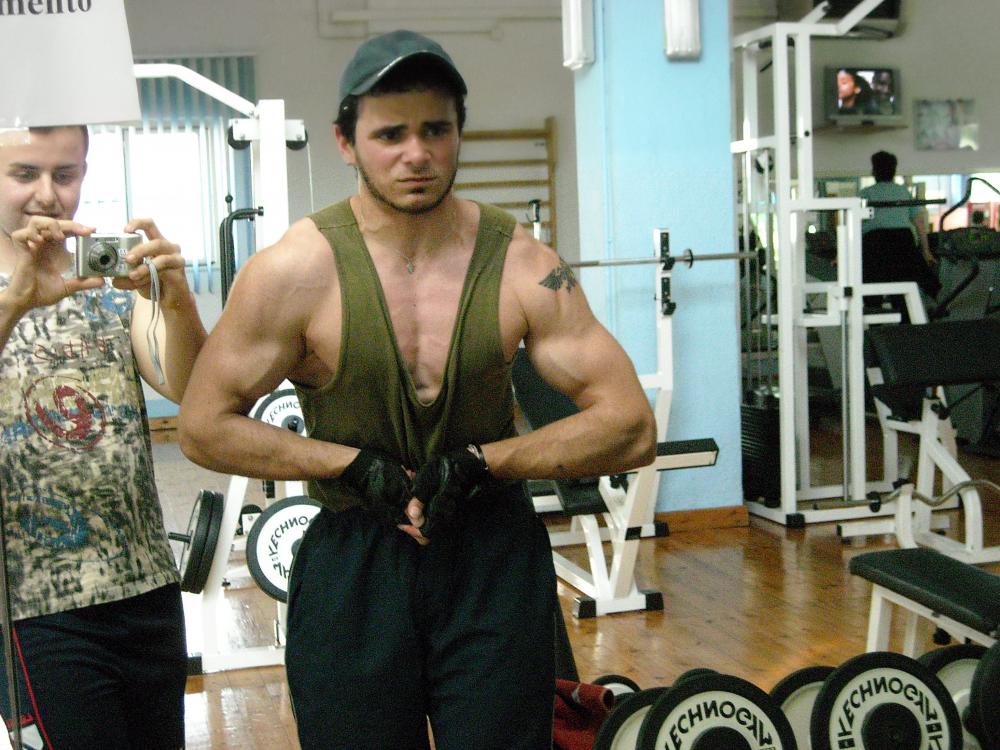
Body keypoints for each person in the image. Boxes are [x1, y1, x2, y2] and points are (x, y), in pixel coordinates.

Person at [177, 29, 656, 750]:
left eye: (436, 130)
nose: (417, 153)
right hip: (354, 560)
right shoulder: (293, 271)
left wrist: (485, 463)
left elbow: (631, 425)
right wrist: (348, 467)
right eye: (390, 134)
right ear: (346, 142)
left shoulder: (523, 264)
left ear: (460, 132)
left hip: (491, 556)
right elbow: (202, 425)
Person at [0, 125, 207, 749]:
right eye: (24, 174)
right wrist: (15, 303)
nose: (47, 194)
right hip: (35, 607)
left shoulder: (110, 281)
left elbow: (191, 391)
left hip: (146, 588)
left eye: (65, 175)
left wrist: (176, 299)